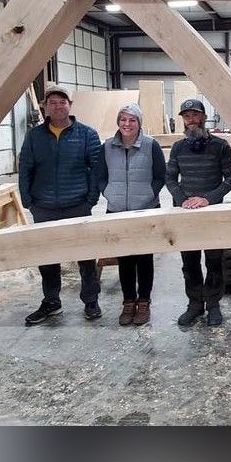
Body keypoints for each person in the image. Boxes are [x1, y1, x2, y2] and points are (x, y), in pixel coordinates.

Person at [18, 85, 102, 325]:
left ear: (70, 105)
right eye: (52, 102)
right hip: (43, 206)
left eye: (62, 101)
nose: (57, 106)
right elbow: (26, 168)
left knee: (85, 256)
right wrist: (28, 200)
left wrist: (91, 199)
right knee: (47, 256)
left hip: (77, 204)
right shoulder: (35, 136)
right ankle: (52, 302)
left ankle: (91, 300)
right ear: (45, 107)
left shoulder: (87, 134)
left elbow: (96, 169)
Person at [165, 98, 231, 328]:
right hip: (186, 212)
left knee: (214, 261)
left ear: (204, 117)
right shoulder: (178, 148)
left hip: (212, 211)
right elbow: (169, 178)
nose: (191, 120)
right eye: (187, 116)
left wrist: (208, 199)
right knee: (190, 262)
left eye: (195, 115)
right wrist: (183, 200)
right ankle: (195, 304)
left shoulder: (220, 146)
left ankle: (213, 304)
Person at [96, 102, 167, 326]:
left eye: (132, 120)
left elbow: (160, 176)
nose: (127, 124)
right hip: (116, 210)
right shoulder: (107, 146)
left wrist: (148, 195)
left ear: (139, 123)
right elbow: (100, 176)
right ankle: (128, 302)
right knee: (124, 259)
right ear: (118, 122)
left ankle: (144, 302)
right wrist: (109, 194)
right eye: (123, 120)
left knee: (144, 258)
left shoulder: (150, 145)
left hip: (145, 208)